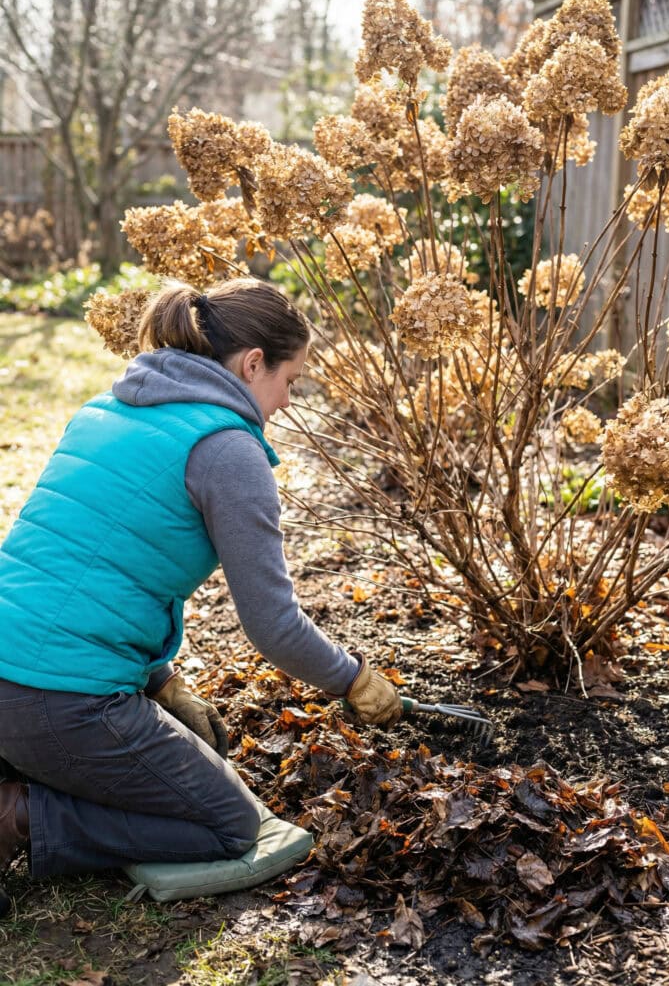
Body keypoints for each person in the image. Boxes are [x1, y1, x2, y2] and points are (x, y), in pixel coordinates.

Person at [0, 278, 402, 887]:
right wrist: (355, 679)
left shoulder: (105, 411)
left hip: (19, 677)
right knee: (229, 827)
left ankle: (23, 768)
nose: (287, 402)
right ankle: (15, 815)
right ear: (253, 363)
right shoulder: (227, 450)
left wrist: (160, 681)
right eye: (290, 381)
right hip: (58, 702)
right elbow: (273, 625)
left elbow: (75, 570)